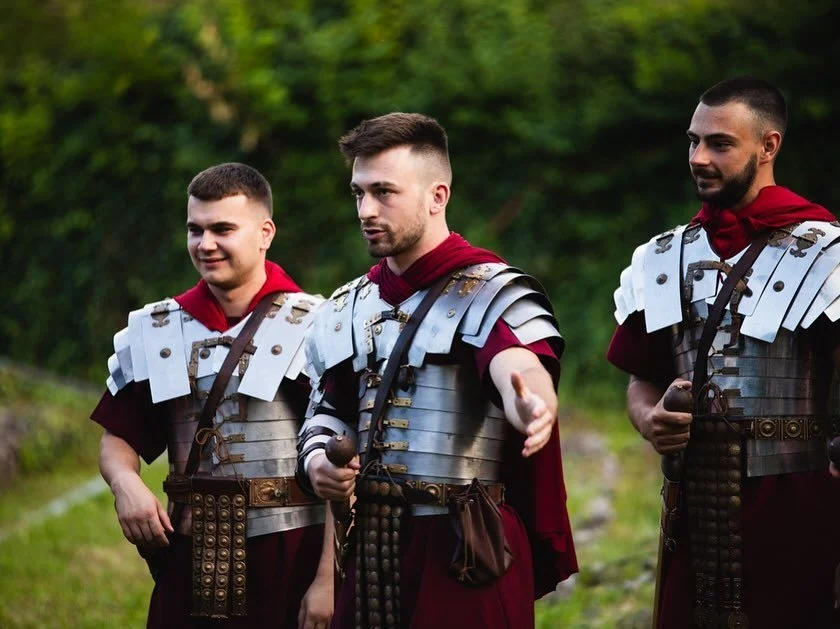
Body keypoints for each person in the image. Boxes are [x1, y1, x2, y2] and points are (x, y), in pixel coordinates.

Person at [296, 113, 577, 629]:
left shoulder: (492, 291)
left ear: (437, 196)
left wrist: (531, 400)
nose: (366, 209)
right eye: (358, 193)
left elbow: (516, 362)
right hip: (372, 549)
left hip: (464, 546)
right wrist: (318, 458)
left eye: (384, 192)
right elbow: (327, 408)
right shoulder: (345, 307)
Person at [608, 76, 840, 628]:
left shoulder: (827, 256)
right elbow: (642, 377)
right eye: (693, 141)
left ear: (769, 146)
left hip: (797, 506)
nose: (699, 157)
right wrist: (651, 419)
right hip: (693, 505)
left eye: (719, 144)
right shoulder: (663, 257)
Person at [91, 163, 334, 628]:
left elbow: (345, 471)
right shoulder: (156, 329)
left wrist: (328, 580)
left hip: (291, 555)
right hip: (190, 555)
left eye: (222, 229)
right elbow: (117, 439)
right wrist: (127, 486)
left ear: (265, 233)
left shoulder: (319, 326)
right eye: (195, 229)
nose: (205, 244)